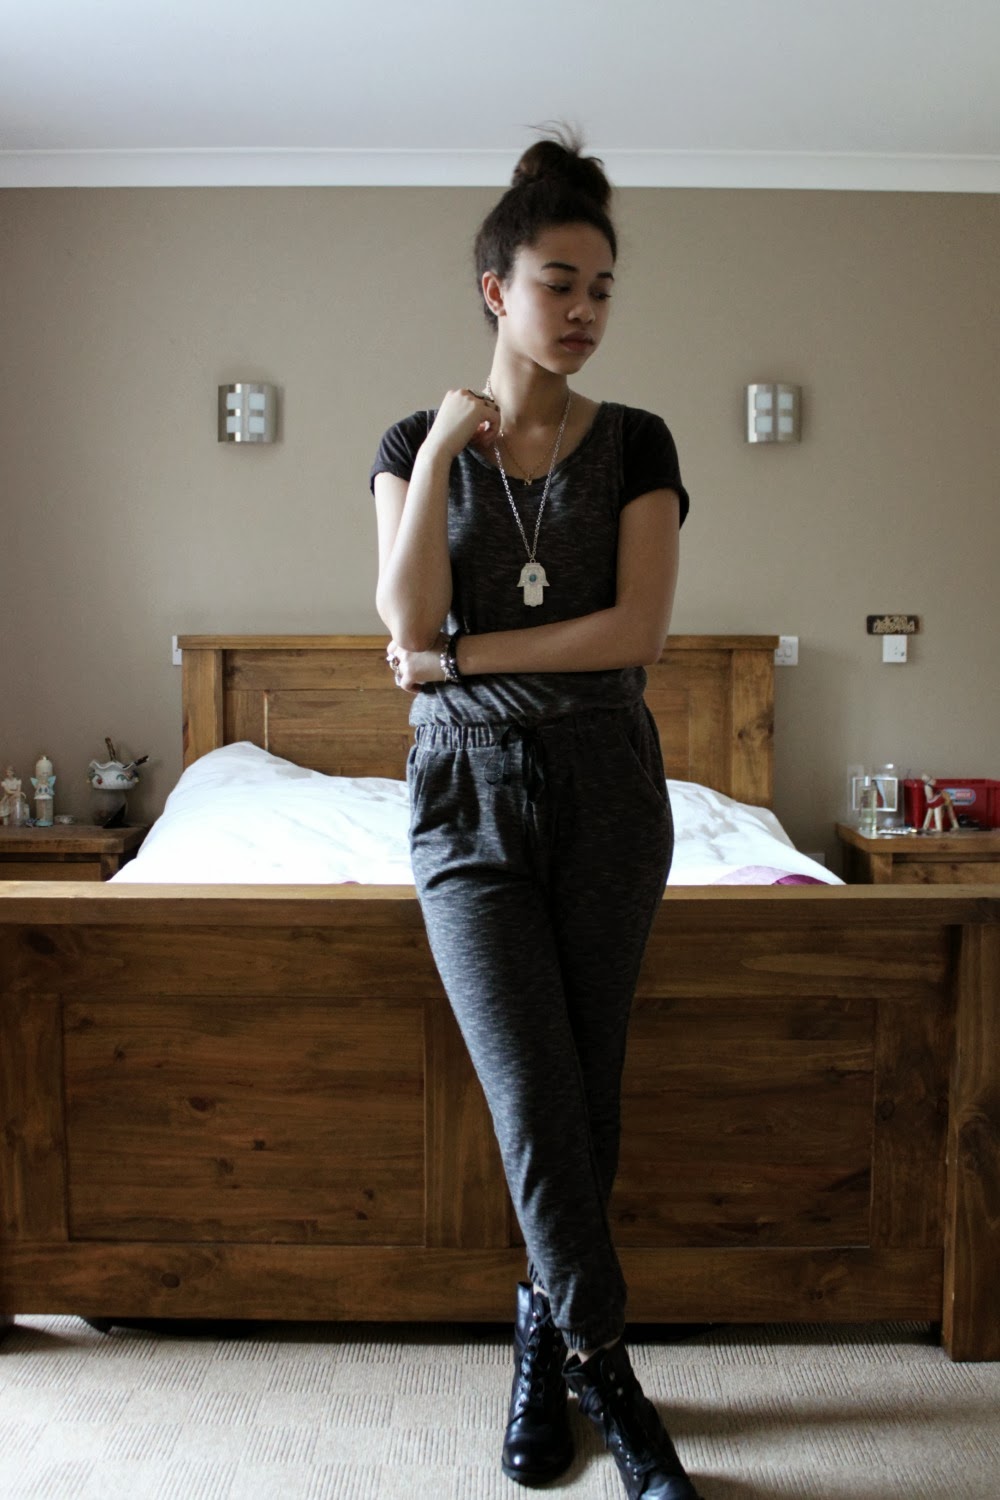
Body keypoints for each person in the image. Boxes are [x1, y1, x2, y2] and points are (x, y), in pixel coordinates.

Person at [370, 131, 697, 1500]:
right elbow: (400, 616)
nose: (584, 309)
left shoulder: (637, 443)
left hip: (607, 785)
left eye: (603, 287)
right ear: (495, 289)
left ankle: (539, 1337)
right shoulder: (414, 444)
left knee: (582, 1092)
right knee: (531, 1090)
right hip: (465, 803)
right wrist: (451, 442)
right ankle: (610, 1377)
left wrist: (460, 658)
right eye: (559, 282)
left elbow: (634, 633)